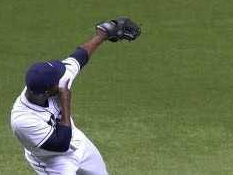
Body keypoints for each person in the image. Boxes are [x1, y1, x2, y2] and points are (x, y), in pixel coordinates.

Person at [10, 18, 141, 175]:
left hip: (79, 144)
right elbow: (61, 144)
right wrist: (65, 102)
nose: (61, 77)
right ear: (46, 92)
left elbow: (79, 57)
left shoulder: (52, 81)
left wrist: (102, 34)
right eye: (57, 80)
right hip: (53, 162)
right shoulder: (23, 121)